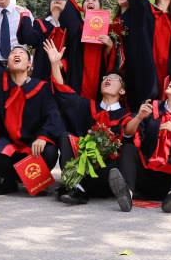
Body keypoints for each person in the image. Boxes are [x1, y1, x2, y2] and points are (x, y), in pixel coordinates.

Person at [0, 13, 64, 194]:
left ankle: (35, 180)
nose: (16, 54)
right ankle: (9, 181)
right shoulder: (0, 82)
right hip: (9, 142)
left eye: (22, 54)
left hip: (33, 143)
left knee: (49, 151)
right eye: (13, 53)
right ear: (7, 63)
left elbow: (53, 115)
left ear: (29, 65)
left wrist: (42, 136)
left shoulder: (41, 87)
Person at [44, 39, 133, 211]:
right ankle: (76, 187)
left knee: (126, 150)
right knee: (66, 137)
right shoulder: (87, 106)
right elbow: (64, 93)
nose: (107, 80)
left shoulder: (126, 116)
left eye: (113, 78)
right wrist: (55, 64)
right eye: (105, 78)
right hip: (83, 172)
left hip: (109, 173)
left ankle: (124, 192)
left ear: (122, 90)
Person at [117, 74, 171, 210]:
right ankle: (127, 194)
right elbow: (127, 133)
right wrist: (139, 117)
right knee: (128, 148)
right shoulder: (151, 108)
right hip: (145, 174)